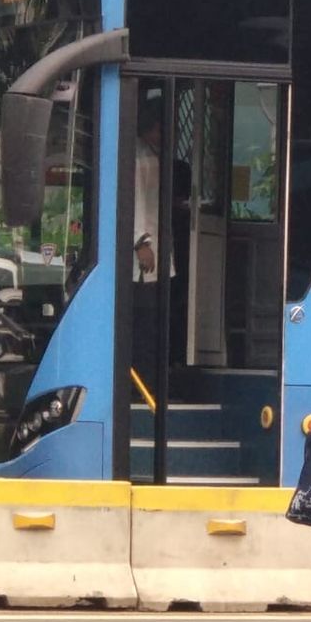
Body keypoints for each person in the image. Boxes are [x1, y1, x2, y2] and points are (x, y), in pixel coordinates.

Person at [131, 95, 174, 396]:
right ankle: (144, 387)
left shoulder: (151, 154)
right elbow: (134, 202)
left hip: (157, 249)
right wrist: (140, 242)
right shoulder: (138, 157)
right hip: (145, 255)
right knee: (145, 324)